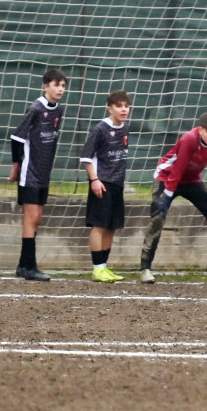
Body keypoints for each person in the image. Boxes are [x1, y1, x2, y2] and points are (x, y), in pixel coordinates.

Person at [140, 111, 207, 283]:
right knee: (158, 216)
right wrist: (166, 197)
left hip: (191, 180)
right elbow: (178, 168)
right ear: (200, 129)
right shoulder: (189, 139)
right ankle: (145, 268)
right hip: (167, 177)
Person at [9, 68, 67, 281]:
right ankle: (29, 266)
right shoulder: (35, 108)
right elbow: (16, 138)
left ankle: (24, 265)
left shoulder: (58, 110)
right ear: (45, 86)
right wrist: (16, 166)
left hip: (44, 173)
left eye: (62, 86)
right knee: (31, 218)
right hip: (30, 172)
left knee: (38, 219)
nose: (60, 89)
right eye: (56, 85)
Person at [80, 90, 131, 283]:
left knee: (111, 226)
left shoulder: (125, 128)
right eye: (119, 106)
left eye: (126, 106)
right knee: (99, 225)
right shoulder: (100, 129)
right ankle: (97, 268)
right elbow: (86, 157)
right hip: (102, 183)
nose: (123, 109)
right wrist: (94, 179)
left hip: (117, 184)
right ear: (110, 108)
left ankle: (104, 267)